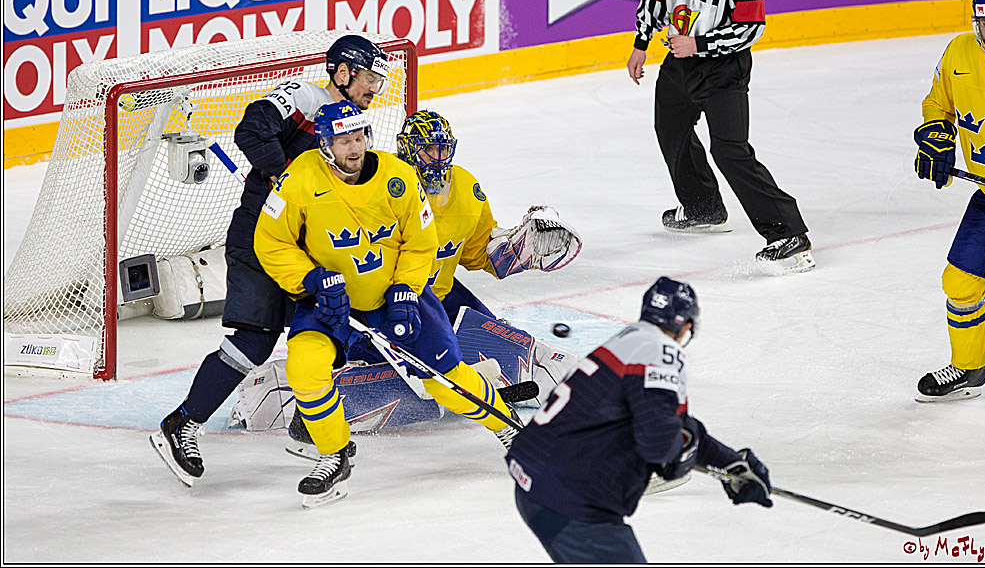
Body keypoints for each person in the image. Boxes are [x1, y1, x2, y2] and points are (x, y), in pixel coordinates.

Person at [149, 34, 391, 487]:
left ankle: (306, 428)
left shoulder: (352, 122)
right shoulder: (305, 96)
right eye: (369, 78)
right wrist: (284, 174)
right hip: (261, 238)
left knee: (324, 329)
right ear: (342, 72)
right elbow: (251, 128)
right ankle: (182, 422)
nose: (375, 89)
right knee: (256, 340)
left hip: (305, 246)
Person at [252, 100, 521, 508]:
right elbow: (271, 242)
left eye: (359, 137)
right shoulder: (299, 179)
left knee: (445, 376)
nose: (354, 147)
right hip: (331, 302)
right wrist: (310, 279)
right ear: (325, 145)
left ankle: (507, 427)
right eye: (344, 141)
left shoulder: (399, 177)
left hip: (396, 296)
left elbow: (421, 241)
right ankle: (334, 455)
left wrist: (406, 288)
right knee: (305, 367)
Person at [506, 276, 773, 563]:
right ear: (686, 326)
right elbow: (660, 444)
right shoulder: (660, 351)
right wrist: (680, 456)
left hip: (538, 484)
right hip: (569, 500)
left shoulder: (629, 342)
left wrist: (730, 462)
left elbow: (676, 425)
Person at [626, 0, 814, 274]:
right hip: (680, 62)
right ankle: (703, 207)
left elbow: (751, 26)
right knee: (670, 129)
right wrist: (641, 44)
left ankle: (788, 234)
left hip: (724, 69)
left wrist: (699, 43)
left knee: (730, 150)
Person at [913, 0, 985, 402]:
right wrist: (937, 137)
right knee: (958, 283)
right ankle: (970, 367)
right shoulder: (959, 53)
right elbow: (938, 104)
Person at [394, 109, 582, 326]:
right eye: (428, 149)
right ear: (406, 148)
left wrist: (513, 253)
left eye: (443, 148)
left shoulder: (464, 187)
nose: (437, 157)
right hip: (392, 298)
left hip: (439, 295)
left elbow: (475, 250)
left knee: (496, 335)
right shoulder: (386, 184)